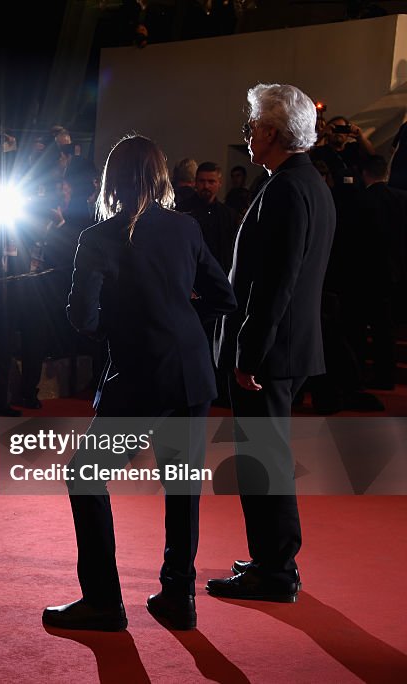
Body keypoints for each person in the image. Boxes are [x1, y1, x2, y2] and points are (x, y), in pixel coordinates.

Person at [42, 134, 235, 632]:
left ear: (113, 180)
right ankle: (178, 598)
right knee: (182, 487)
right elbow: (223, 297)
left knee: (85, 476)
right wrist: (181, 318)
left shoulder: (99, 237)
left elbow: (82, 316)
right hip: (192, 373)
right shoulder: (186, 227)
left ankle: (104, 602)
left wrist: (122, 326)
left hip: (140, 374)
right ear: (162, 176)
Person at [208, 83, 336, 603]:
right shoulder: (307, 183)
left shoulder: (286, 188)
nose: (247, 137)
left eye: (251, 127)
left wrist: (249, 354)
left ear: (269, 131)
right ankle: (270, 558)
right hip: (287, 345)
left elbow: (276, 282)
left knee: (263, 459)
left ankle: (275, 568)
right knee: (266, 456)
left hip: (271, 351)